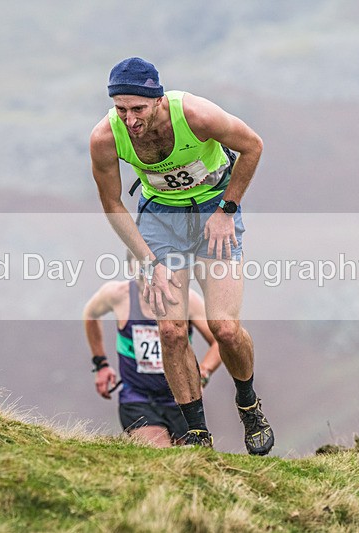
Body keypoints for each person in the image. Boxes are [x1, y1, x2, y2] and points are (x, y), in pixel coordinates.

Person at [89, 57, 274, 455]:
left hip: (214, 209)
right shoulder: (106, 136)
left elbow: (253, 146)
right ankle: (196, 434)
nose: (130, 119)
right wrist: (147, 261)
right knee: (171, 331)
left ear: (158, 100)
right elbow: (111, 202)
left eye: (138, 109)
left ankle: (249, 404)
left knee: (223, 327)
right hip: (160, 218)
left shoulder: (195, 114)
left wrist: (228, 211)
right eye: (121, 109)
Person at [83, 251, 222, 447]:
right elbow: (90, 314)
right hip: (137, 397)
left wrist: (204, 374)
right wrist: (101, 364)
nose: (148, 273)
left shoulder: (188, 300)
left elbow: (219, 342)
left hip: (181, 399)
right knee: (161, 456)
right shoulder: (118, 295)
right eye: (141, 264)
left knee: (196, 461)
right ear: (131, 267)